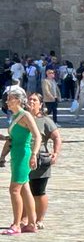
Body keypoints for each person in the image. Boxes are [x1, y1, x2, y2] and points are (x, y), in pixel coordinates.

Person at [3, 87, 42, 234]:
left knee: (14, 190)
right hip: (16, 155)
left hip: (24, 155)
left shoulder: (25, 115)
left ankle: (16, 224)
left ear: (18, 100)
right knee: (25, 189)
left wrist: (34, 154)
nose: (7, 101)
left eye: (10, 99)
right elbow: (15, 137)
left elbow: (37, 136)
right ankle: (31, 223)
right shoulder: (14, 116)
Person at [25, 92, 60, 229]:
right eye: (30, 99)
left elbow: (57, 137)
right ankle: (25, 218)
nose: (31, 102)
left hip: (40, 160)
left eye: (34, 100)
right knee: (24, 190)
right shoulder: (23, 117)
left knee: (38, 191)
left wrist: (55, 153)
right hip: (23, 158)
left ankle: (39, 219)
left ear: (40, 104)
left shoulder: (45, 120)